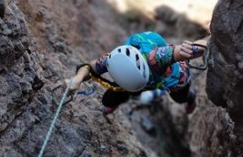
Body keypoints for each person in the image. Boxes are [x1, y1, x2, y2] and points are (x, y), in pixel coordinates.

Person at [67, 31, 206, 115]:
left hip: (175, 78)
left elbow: (200, 46)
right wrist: (77, 79)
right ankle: (117, 101)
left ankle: (191, 96)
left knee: (180, 98)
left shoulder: (157, 58)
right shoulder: (113, 60)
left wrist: (193, 48)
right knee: (109, 99)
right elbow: (89, 67)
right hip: (144, 81)